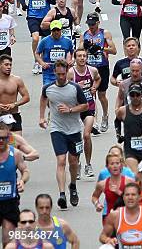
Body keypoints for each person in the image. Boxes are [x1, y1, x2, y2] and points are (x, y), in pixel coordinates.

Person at [39, 60, 88, 211]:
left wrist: (70, 109)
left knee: (73, 162)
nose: (61, 77)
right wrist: (41, 117)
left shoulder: (75, 88)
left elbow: (85, 105)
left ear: (67, 72)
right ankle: (62, 195)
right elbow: (43, 99)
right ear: (54, 72)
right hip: (57, 129)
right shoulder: (48, 88)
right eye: (58, 74)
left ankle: (72, 185)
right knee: (61, 160)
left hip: (74, 130)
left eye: (63, 74)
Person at [79, 12, 117, 133]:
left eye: (93, 24)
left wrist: (101, 48)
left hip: (102, 67)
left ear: (98, 23)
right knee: (91, 94)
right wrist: (84, 47)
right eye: (89, 24)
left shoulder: (104, 33)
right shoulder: (84, 34)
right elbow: (79, 51)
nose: (91, 27)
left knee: (101, 95)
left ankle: (105, 116)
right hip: (89, 68)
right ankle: (93, 122)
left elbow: (114, 50)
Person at [98, 182, 142, 247]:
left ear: (140, 197)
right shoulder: (115, 215)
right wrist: (108, 240)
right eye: (127, 195)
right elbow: (103, 236)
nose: (130, 198)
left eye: (133, 195)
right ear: (123, 197)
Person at [67, 48, 100, 178]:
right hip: (75, 109)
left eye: (84, 56)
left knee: (86, 135)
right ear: (75, 58)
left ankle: (88, 164)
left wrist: (94, 87)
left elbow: (98, 79)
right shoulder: (71, 73)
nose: (82, 58)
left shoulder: (92, 70)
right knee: (76, 139)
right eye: (79, 56)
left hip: (89, 107)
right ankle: (78, 163)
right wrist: (76, 87)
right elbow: (65, 88)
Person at [19, 0, 56, 75]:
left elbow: (54, 0)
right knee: (35, 38)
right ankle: (36, 60)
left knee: (45, 41)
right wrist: (24, 5)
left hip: (45, 18)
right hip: (33, 16)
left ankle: (41, 61)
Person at [0, 121, 29, 246]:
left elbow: (25, 170)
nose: (1, 141)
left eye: (4, 138)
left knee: (8, 240)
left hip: (9, 202)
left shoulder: (15, 154)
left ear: (8, 138)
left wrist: (22, 180)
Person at [115, 82, 142, 173]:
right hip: (130, 150)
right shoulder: (123, 110)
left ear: (141, 95)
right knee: (134, 176)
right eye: (132, 95)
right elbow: (117, 121)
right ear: (129, 96)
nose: (135, 97)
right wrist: (119, 134)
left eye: (137, 95)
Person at [0, 54, 29, 134]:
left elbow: (26, 97)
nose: (9, 67)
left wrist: (14, 104)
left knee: (16, 144)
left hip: (13, 114)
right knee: (2, 144)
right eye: (6, 65)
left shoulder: (16, 80)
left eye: (10, 65)